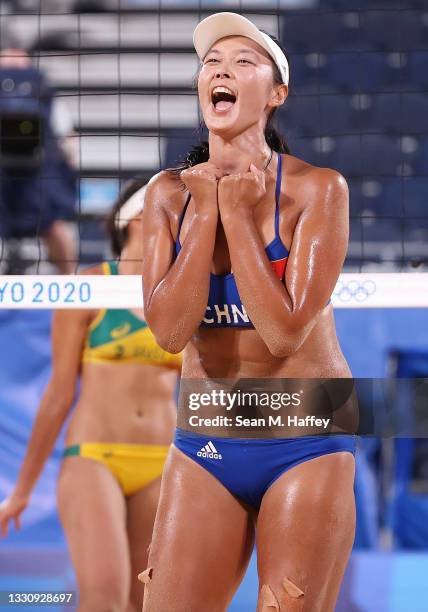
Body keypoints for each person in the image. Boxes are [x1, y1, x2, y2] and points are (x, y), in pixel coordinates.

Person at [140, 12, 356, 612]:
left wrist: (236, 213)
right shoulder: (167, 196)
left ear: (277, 94)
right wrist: (208, 207)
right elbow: (168, 331)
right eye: (211, 63)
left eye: (243, 62)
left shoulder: (319, 190)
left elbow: (285, 332)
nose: (221, 71)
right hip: (208, 433)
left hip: (306, 432)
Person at [0, 179, 181, 612]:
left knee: (147, 604)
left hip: (162, 463)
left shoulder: (182, 295)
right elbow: (58, 395)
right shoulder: (87, 287)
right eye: (174, 209)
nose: (185, 219)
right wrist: (21, 491)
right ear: (138, 219)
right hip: (93, 457)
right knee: (104, 599)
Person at [0, 40, 77, 274]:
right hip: (6, 175)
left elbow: (67, 138)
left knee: (54, 226)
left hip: (38, 172)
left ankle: (69, 285)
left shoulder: (45, 94)